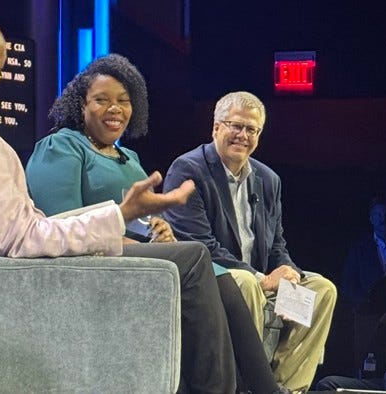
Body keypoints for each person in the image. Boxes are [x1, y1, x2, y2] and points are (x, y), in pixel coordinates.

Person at [0, 13, 235, 393]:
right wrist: (120, 215)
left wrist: (118, 216)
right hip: (5, 290)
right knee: (193, 259)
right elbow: (23, 241)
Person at [25, 53, 284, 394]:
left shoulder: (127, 157)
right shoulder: (61, 147)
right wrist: (132, 240)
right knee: (194, 256)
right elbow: (61, 225)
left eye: (123, 101)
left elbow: (141, 217)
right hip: (87, 261)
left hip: (133, 253)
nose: (114, 109)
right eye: (101, 100)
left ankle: (259, 389)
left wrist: (160, 230)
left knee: (225, 283)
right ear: (80, 104)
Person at [163, 91, 337, 392]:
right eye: (236, 126)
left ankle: (284, 386)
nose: (243, 135)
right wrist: (263, 279)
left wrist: (288, 272)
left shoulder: (268, 179)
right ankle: (251, 386)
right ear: (216, 127)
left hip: (258, 279)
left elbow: (276, 244)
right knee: (243, 282)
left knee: (322, 290)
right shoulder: (188, 170)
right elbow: (199, 244)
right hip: (211, 279)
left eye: (252, 129)